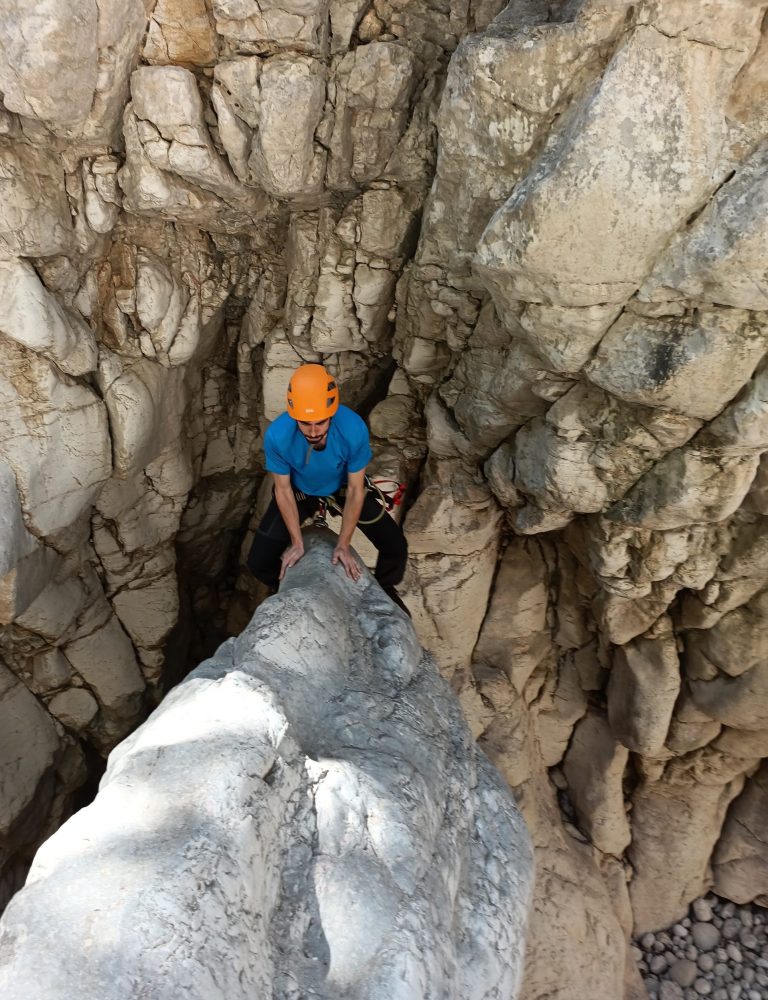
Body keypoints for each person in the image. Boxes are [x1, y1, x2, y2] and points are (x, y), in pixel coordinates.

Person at [247, 363, 409, 613]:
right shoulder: (278, 435)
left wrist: (343, 545)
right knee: (258, 562)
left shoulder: (352, 429)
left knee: (395, 547)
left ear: (331, 414)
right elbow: (282, 489)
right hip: (299, 493)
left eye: (320, 423)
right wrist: (297, 542)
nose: (313, 431)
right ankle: (281, 585)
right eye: (305, 423)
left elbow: (356, 490)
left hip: (342, 490)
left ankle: (384, 590)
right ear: (294, 416)